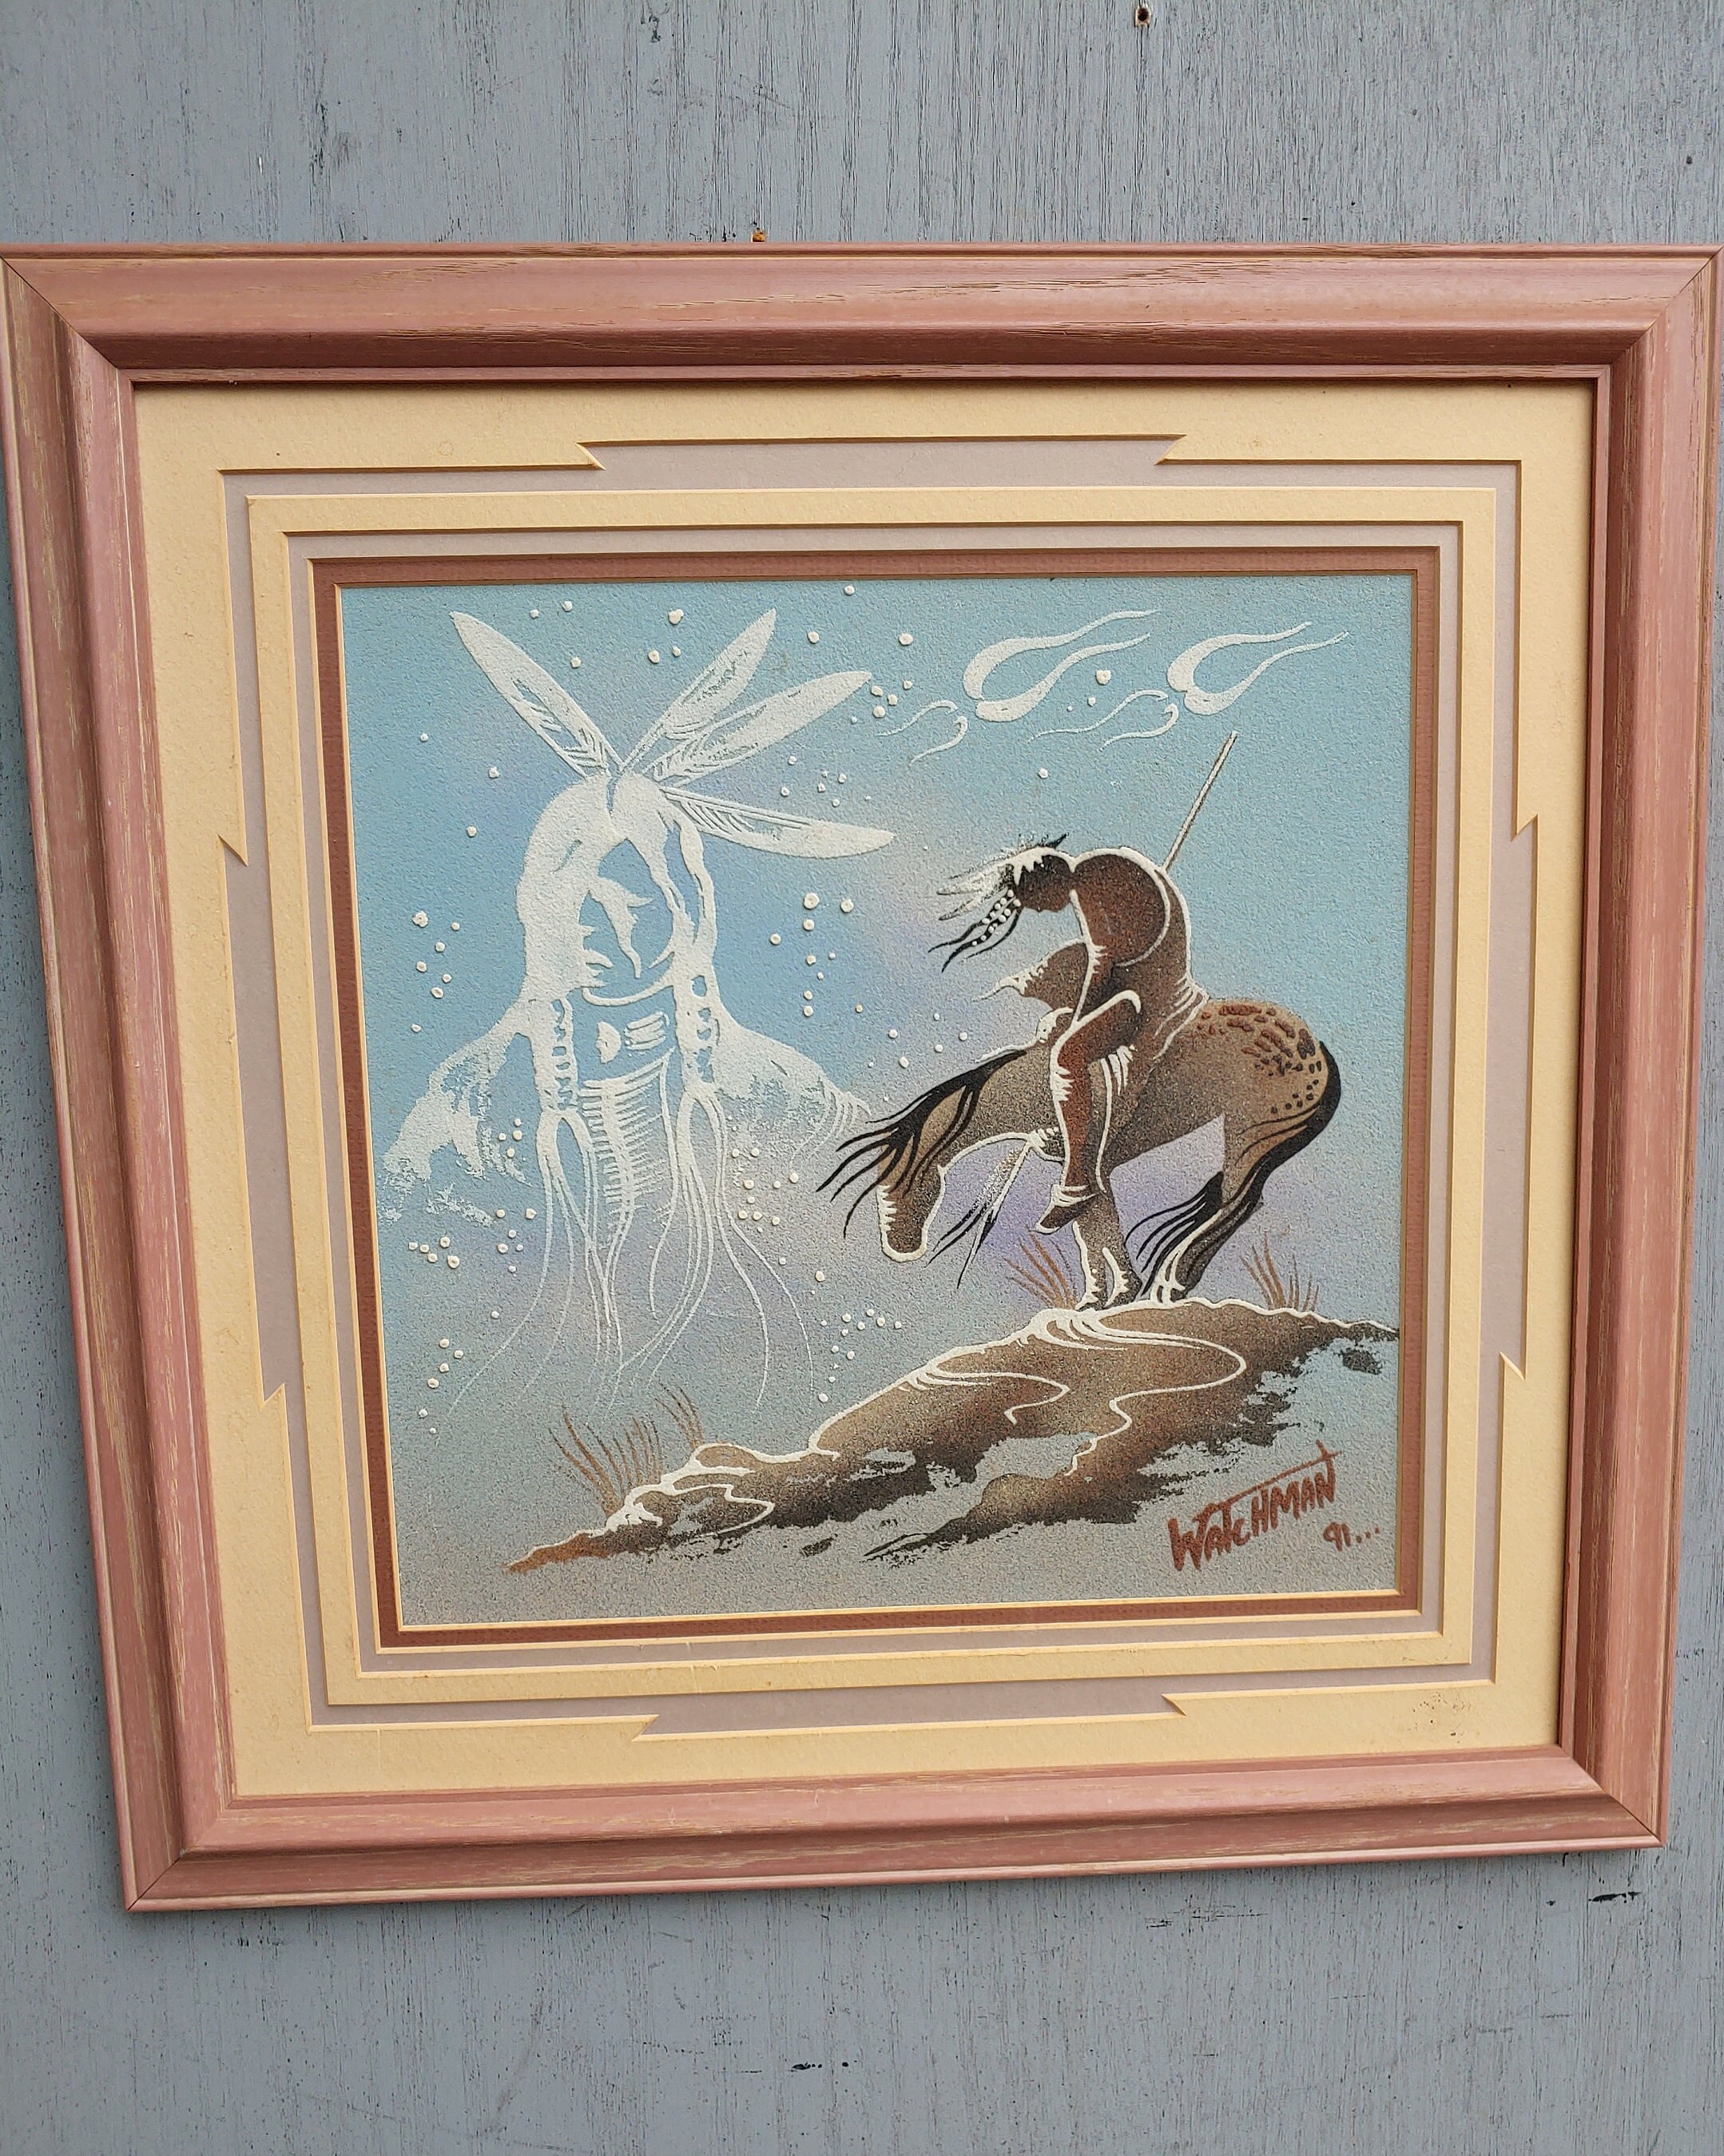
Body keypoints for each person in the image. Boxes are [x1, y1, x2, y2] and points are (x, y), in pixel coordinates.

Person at [999, 842, 1207, 1231]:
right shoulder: (1094, 873)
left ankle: (1077, 1180)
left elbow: (1101, 967)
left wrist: (1076, 1025)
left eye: (1035, 902)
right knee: (1065, 1029)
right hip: (1136, 982)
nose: (1040, 911)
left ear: (1046, 883)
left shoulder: (1091, 885)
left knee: (1068, 1056)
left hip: (1149, 996)